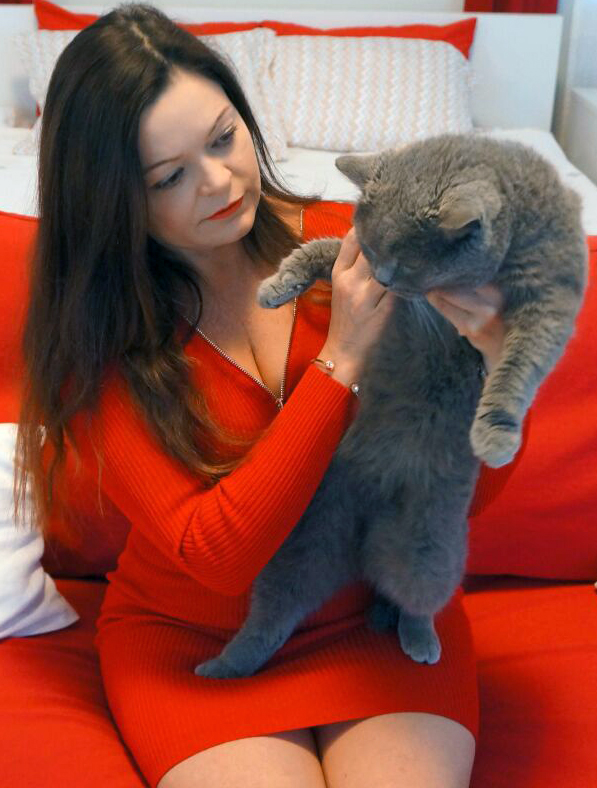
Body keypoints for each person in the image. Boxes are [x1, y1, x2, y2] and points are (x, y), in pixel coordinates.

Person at [16, 5, 507, 787]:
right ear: (110, 200)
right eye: (169, 177)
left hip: (374, 617)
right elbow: (219, 557)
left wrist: (491, 368)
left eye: (223, 138)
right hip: (193, 639)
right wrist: (339, 360)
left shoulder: (355, 251)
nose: (219, 182)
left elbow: (455, 498)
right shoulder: (99, 341)